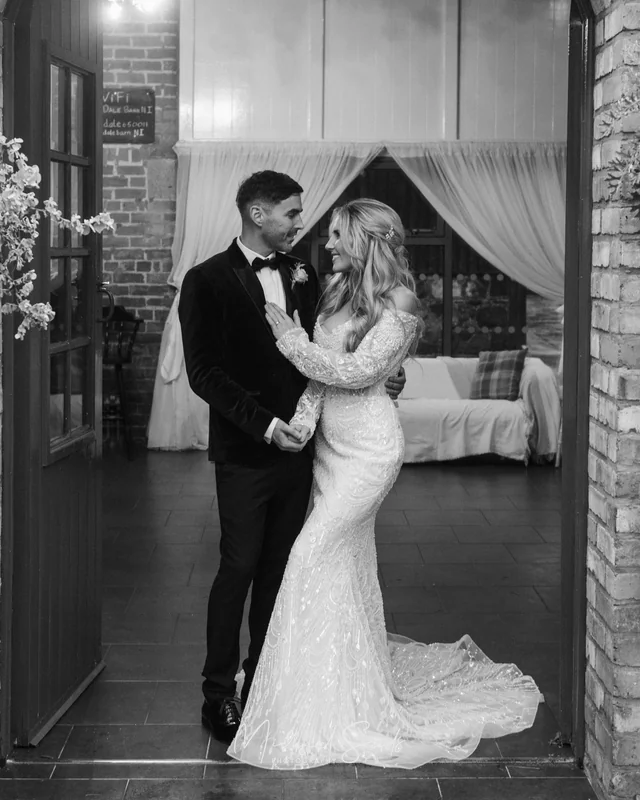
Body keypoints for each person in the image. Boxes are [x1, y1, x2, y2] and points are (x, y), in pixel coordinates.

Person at [228, 198, 541, 770]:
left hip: (370, 452)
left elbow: (360, 373)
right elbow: (324, 373)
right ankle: (335, 683)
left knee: (306, 556)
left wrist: (288, 337)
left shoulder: (400, 301)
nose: (327, 245)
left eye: (339, 236)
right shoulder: (337, 290)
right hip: (329, 451)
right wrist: (299, 422)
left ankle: (311, 696)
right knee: (343, 564)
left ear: (366, 239)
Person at [179, 173, 405, 744]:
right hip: (247, 452)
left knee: (283, 570)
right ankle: (217, 696)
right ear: (258, 213)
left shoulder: (307, 274)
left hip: (311, 453)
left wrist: (385, 370)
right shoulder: (205, 279)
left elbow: (337, 347)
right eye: (293, 214)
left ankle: (264, 681)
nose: (302, 226)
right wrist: (266, 426)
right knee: (238, 569)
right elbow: (204, 373)